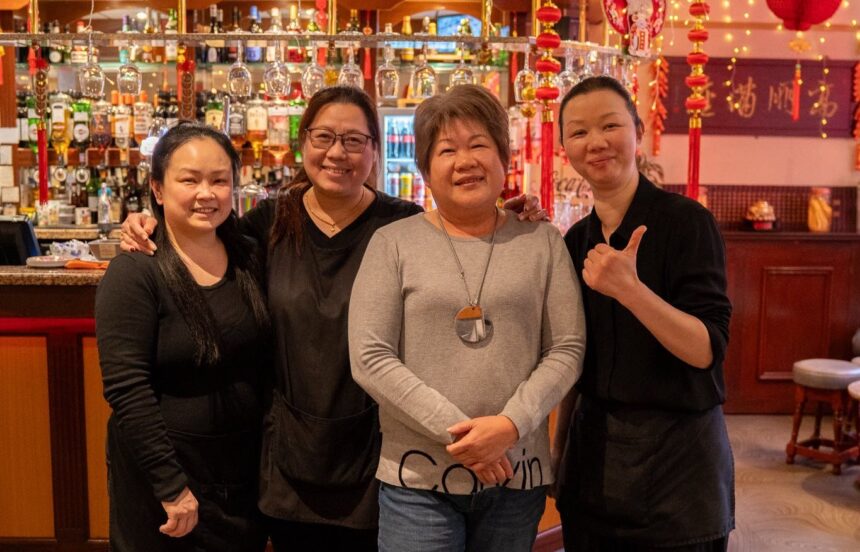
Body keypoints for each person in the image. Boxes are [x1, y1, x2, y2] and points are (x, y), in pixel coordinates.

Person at [119, 86, 546, 551]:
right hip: (289, 456)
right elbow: (202, 240)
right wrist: (149, 220)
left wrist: (509, 215)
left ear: (375, 150)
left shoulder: (403, 227)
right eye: (323, 137)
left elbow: (465, 247)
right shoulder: (268, 224)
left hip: (379, 454)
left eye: (355, 140)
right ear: (303, 143)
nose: (337, 153)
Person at [348, 84, 586, 552]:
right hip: (417, 475)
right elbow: (370, 356)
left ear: (503, 158)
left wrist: (509, 426)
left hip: (517, 473)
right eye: (447, 150)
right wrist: (465, 437)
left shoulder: (541, 242)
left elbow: (567, 347)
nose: (465, 161)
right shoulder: (393, 244)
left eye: (479, 145)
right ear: (424, 168)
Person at [553, 75, 734, 551]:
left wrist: (631, 291)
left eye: (610, 125)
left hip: (680, 468)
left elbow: (706, 350)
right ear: (564, 148)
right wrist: (558, 456)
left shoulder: (686, 222)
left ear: (638, 131)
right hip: (594, 463)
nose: (595, 142)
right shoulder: (575, 242)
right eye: (578, 132)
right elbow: (572, 359)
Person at [95, 122, 270, 551]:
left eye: (219, 180)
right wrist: (171, 487)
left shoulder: (250, 255)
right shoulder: (136, 271)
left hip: (241, 471)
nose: (205, 193)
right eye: (188, 180)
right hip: (166, 476)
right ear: (157, 189)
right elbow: (126, 388)